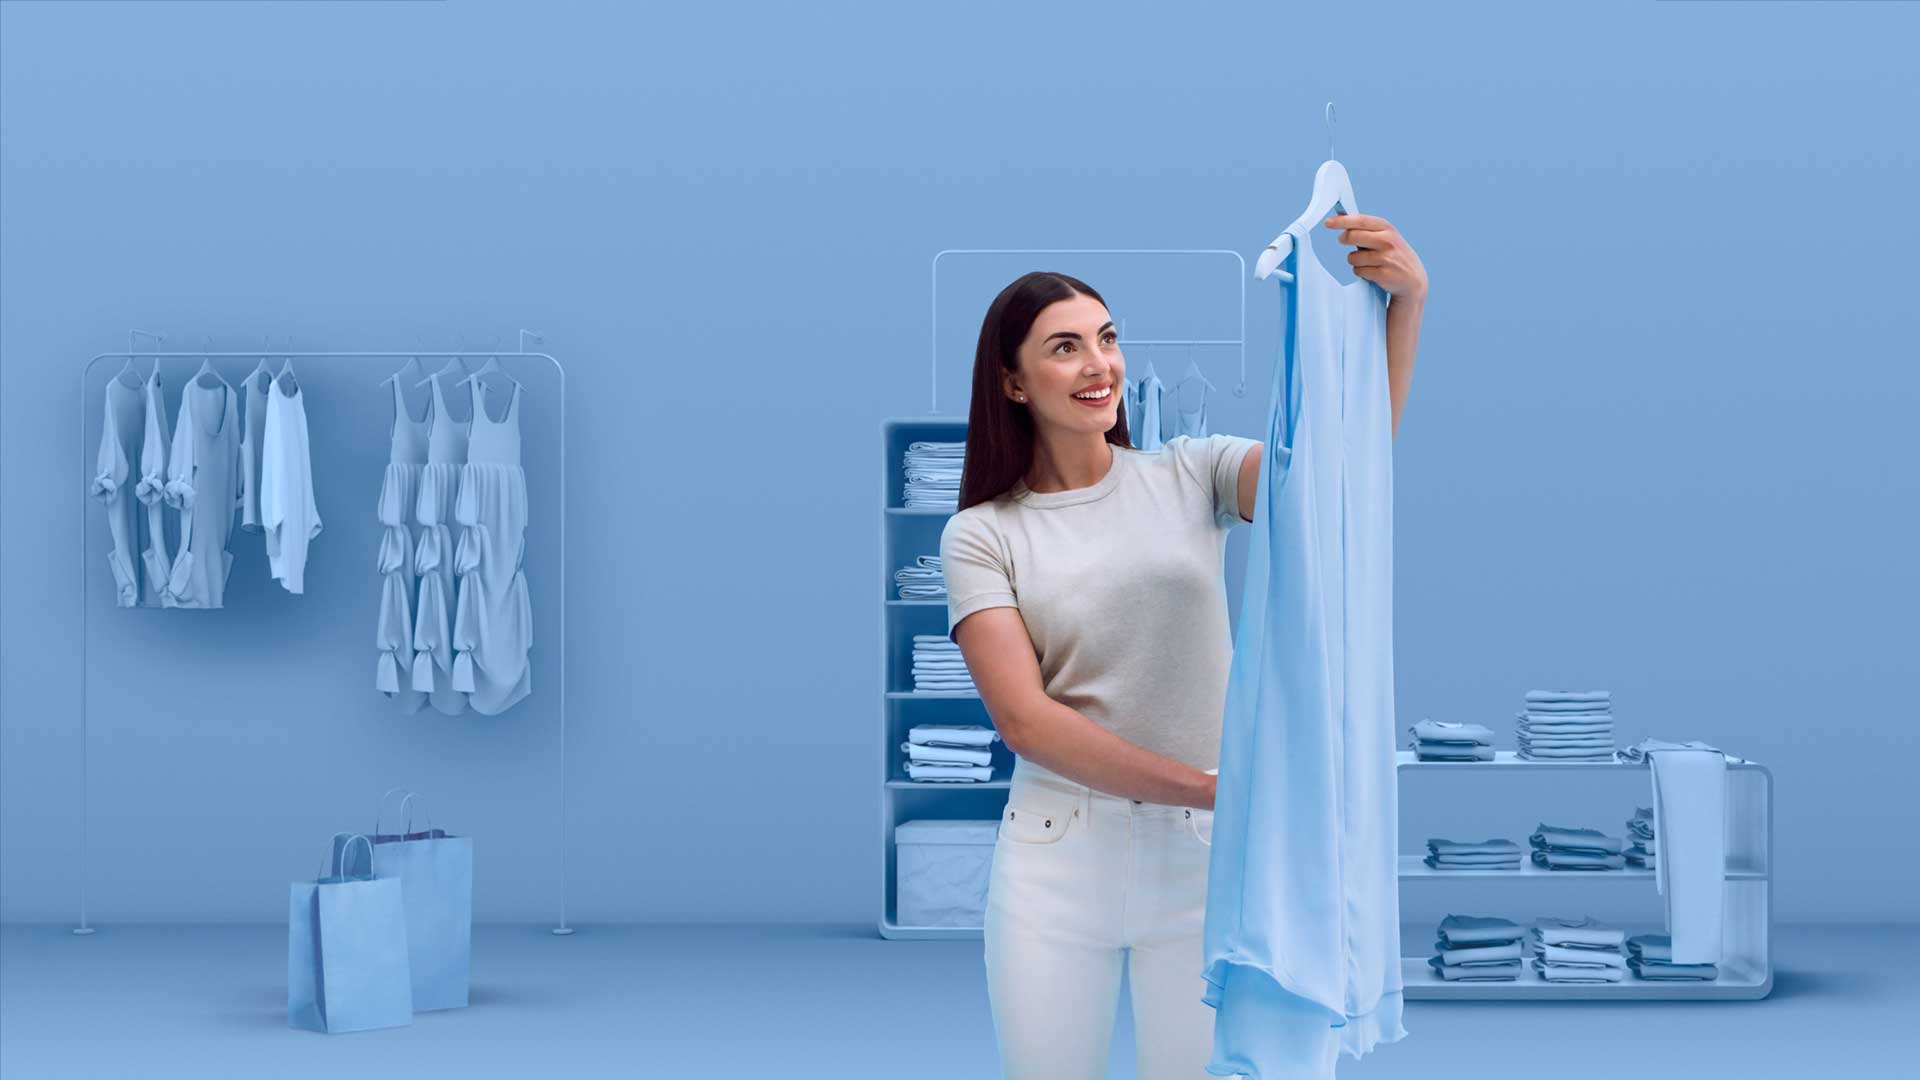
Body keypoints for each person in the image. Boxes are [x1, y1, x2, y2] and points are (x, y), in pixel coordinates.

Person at [940, 215, 1427, 1080]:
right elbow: (1028, 723)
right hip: (1059, 857)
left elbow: (1340, 481)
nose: (1100, 366)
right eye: (1065, 348)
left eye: (1108, 338)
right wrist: (1218, 787)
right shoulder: (982, 536)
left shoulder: (1188, 472)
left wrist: (1405, 309)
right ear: (1013, 384)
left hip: (1202, 863)